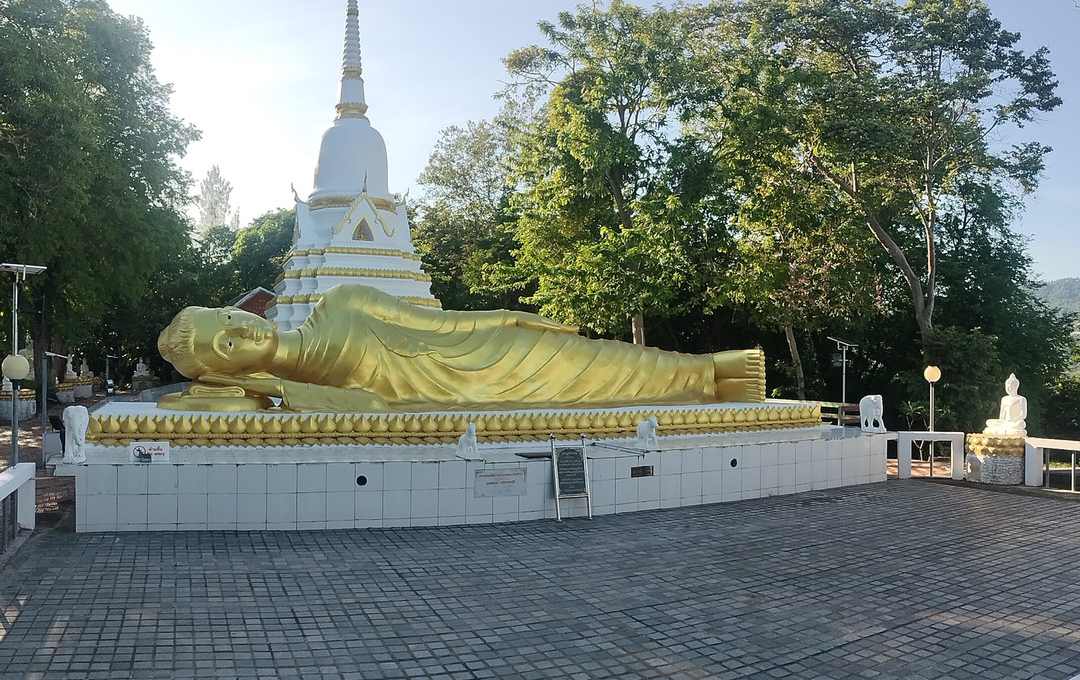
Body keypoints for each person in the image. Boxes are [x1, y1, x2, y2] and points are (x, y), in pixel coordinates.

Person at [157, 284, 766, 413]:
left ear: (240, 309)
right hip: (441, 397)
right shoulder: (299, 391)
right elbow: (372, 411)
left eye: (230, 320)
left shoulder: (338, 302)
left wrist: (509, 316)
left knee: (591, 362)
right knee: (585, 386)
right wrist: (264, 391)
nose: (244, 332)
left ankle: (712, 372)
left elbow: (437, 321)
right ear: (225, 368)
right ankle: (709, 376)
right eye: (228, 346)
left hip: (481, 354)